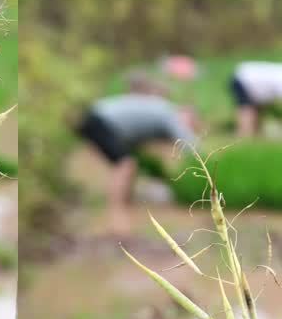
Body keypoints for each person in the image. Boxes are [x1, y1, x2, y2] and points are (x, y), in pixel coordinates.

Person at [76, 92, 199, 233]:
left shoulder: (162, 109)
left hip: (97, 117)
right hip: (100, 120)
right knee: (125, 165)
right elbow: (191, 146)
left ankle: (124, 208)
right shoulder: (172, 115)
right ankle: (117, 216)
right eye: (192, 124)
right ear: (188, 114)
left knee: (125, 165)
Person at [230, 61, 282, 140]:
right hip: (243, 79)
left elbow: (270, 106)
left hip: (248, 81)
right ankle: (244, 137)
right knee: (247, 111)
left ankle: (255, 138)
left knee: (259, 111)